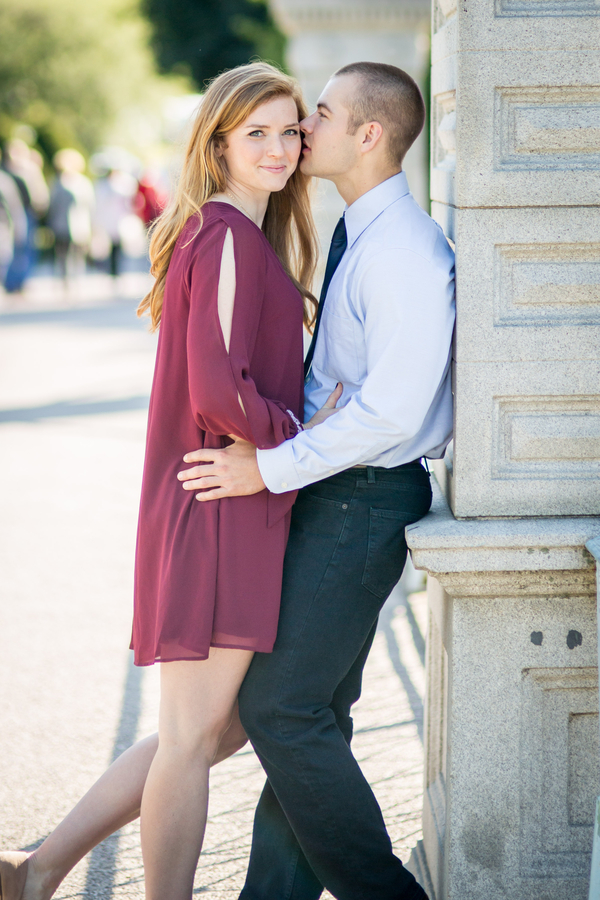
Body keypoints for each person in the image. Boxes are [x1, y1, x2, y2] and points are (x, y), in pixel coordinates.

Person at [0, 62, 337, 900]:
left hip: (232, 503)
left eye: (290, 130)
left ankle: (35, 872)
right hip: (220, 505)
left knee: (214, 731)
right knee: (193, 737)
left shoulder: (244, 237)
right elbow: (215, 388)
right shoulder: (223, 234)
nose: (278, 147)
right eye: (255, 132)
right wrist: (302, 436)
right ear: (217, 145)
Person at [178, 61, 455, 900]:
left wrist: (266, 465)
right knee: (314, 716)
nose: (303, 131)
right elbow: (341, 388)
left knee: (280, 711)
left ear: (367, 135)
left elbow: (390, 414)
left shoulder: (404, 251)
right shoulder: (359, 231)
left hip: (363, 501)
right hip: (338, 493)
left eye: (320, 116)